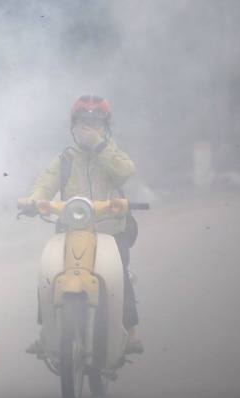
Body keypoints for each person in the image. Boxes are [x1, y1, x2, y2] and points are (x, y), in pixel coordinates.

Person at [18, 95, 143, 355]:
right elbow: (45, 183)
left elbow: (124, 172)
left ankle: (130, 332)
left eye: (95, 123)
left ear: (105, 127)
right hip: (71, 230)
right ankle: (48, 333)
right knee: (49, 272)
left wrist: (99, 146)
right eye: (83, 122)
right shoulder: (65, 159)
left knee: (119, 274)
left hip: (110, 230)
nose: (88, 128)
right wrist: (33, 201)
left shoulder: (111, 153)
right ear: (73, 126)